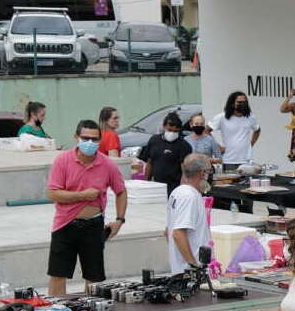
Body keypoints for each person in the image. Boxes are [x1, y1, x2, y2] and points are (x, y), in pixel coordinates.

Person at [44, 117, 128, 298]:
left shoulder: (107, 164)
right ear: (76, 137)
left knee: (94, 277)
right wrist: (82, 195)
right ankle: (56, 308)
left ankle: (91, 310)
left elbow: (121, 191)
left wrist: (119, 220)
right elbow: (52, 193)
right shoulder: (63, 160)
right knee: (58, 274)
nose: (90, 143)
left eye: (94, 139)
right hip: (65, 224)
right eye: (85, 138)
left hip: (93, 225)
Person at [165, 155, 219, 311]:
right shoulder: (187, 196)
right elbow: (178, 233)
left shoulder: (181, 193)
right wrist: (192, 264)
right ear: (202, 173)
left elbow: (167, 231)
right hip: (189, 270)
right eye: (209, 171)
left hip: (193, 267)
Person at [133, 110, 194, 192]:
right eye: (170, 130)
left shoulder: (184, 146)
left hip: (174, 186)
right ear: (164, 126)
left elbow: (185, 170)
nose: (172, 133)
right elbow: (149, 162)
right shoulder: (154, 140)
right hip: (156, 185)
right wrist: (146, 182)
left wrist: (182, 189)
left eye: (175, 131)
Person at [215, 90, 260, 170]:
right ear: (232, 103)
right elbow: (206, 131)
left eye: (245, 102)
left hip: (246, 160)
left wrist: (251, 144)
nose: (242, 104)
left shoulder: (250, 117)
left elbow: (257, 130)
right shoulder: (222, 117)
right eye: (239, 102)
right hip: (229, 160)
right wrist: (218, 147)